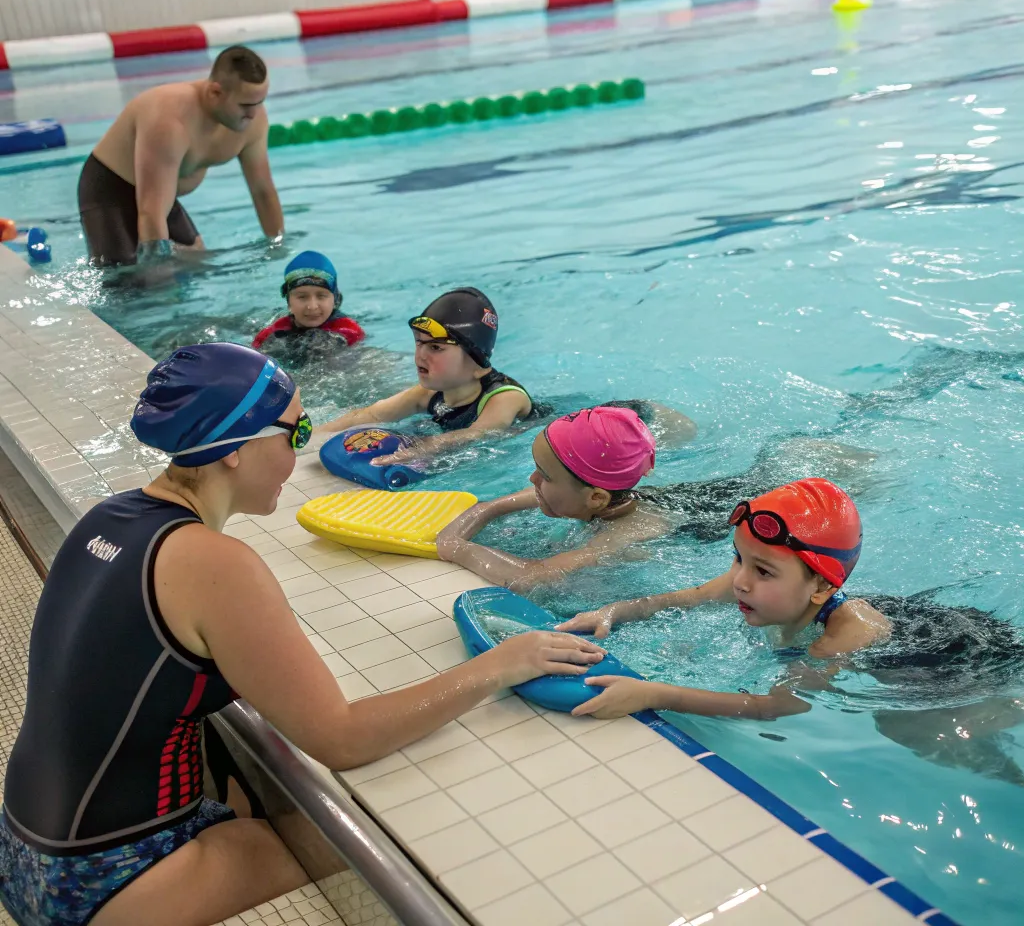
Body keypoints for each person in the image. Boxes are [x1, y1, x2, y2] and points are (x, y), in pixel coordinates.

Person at [0, 343, 603, 926]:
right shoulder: (215, 564)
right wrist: (501, 663)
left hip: (24, 846)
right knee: (350, 855)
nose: (302, 449)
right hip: (103, 879)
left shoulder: (109, 516)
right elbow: (342, 739)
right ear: (234, 449)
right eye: (294, 431)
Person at [556, 479, 1024, 784]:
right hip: (933, 637)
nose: (740, 579)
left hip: (970, 665)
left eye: (762, 570)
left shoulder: (850, 631)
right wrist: (615, 609)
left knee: (910, 728)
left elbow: (776, 706)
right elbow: (679, 600)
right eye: (738, 557)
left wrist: (652, 693)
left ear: (820, 585)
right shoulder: (751, 581)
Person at [437, 406, 870, 590]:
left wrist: (460, 549)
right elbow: (496, 503)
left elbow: (535, 576)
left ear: (594, 499)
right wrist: (479, 513)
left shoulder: (634, 528)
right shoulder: (592, 493)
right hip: (738, 484)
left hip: (785, 483)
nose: (532, 480)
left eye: (544, 476)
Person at [79, 46, 284, 266]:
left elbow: (263, 191)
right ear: (215, 92)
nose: (253, 114)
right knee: (128, 284)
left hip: (158, 195)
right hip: (111, 190)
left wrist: (279, 247)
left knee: (194, 262)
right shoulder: (171, 119)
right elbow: (151, 210)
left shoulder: (253, 122)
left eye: (259, 102)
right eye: (245, 105)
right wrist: (159, 274)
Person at [316, 287, 534, 465]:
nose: (421, 355)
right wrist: (314, 436)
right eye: (419, 343)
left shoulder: (505, 398)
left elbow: (477, 435)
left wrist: (416, 448)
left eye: (436, 348)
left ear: (478, 364)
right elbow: (372, 415)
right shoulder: (429, 393)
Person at [253, 250, 365, 356]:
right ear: (289, 303)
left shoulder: (350, 333)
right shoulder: (271, 334)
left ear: (335, 300)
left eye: (321, 296)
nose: (312, 306)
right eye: (302, 297)